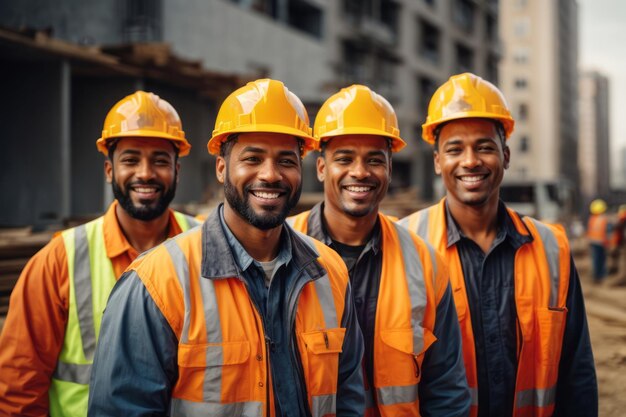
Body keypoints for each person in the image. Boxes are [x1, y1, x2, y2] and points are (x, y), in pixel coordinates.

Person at [87, 79, 365, 417]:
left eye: (286, 161)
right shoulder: (156, 284)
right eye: (252, 158)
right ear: (221, 168)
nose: (271, 175)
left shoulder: (330, 273)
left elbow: (348, 398)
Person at [399, 73, 598, 417]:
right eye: (455, 149)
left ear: (505, 156)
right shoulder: (404, 245)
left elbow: (576, 372)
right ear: (437, 162)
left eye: (485, 147)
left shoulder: (552, 248)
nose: (471, 160)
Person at [0, 91, 200, 417]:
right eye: (131, 159)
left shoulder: (206, 245)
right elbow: (18, 385)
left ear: (177, 170)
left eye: (160, 160)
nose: (146, 173)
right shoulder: (60, 259)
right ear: (109, 170)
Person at [289, 84, 470, 416]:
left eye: (374, 160)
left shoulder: (424, 262)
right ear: (320, 168)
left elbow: (445, 389)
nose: (360, 171)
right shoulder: (282, 250)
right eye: (345, 158)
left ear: (389, 169)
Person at [587, 199, 610, 283]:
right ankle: (600, 276)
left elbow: (590, 231)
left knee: (596, 260)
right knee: (601, 260)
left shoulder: (592, 219)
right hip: (601, 242)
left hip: (593, 242)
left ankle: (596, 276)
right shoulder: (603, 219)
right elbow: (606, 232)